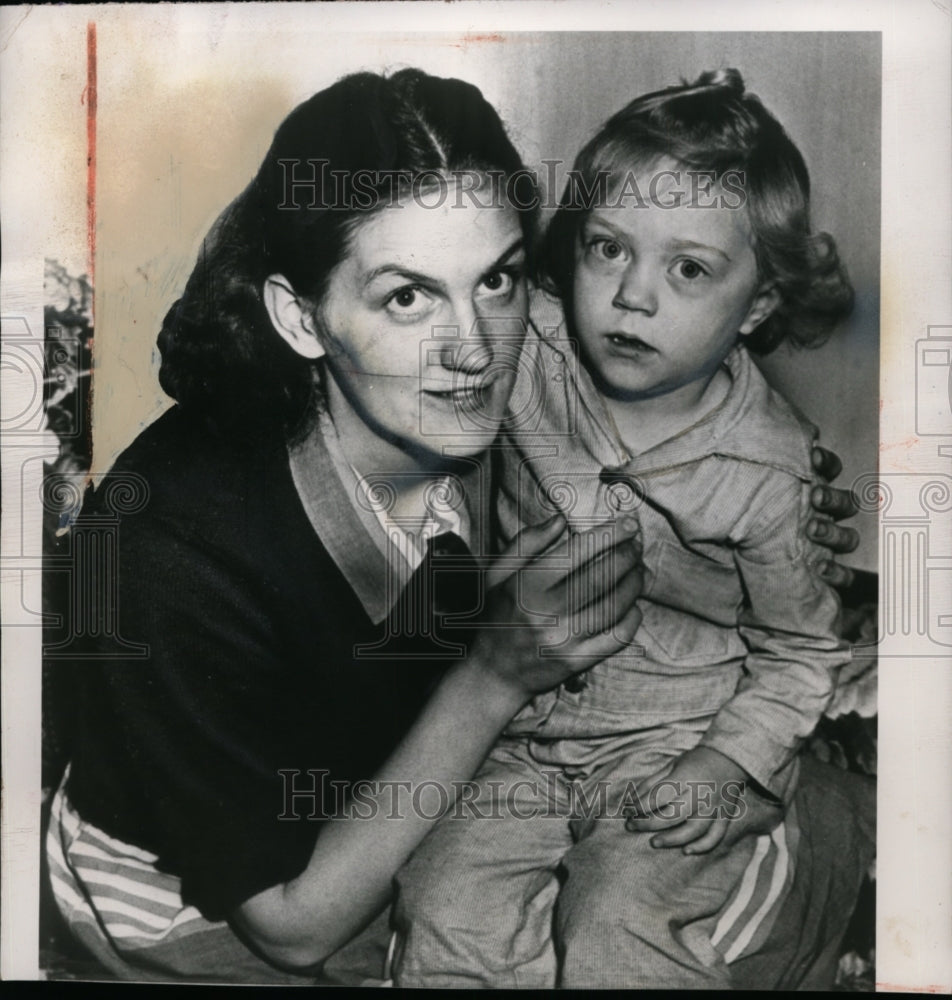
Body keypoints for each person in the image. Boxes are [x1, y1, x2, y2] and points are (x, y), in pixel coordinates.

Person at [44, 68, 864, 985]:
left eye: (499, 279)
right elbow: (292, 926)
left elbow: (670, 442)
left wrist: (766, 496)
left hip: (416, 773)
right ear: (299, 316)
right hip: (209, 901)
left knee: (751, 830)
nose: (475, 349)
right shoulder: (170, 550)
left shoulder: (507, 387)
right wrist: (496, 670)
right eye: (407, 297)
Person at [393, 69, 872, 989]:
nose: (632, 297)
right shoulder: (528, 346)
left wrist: (732, 762)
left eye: (689, 269)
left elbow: (801, 649)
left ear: (760, 306)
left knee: (618, 918)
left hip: (673, 747)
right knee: (442, 903)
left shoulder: (773, 478)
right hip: (519, 737)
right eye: (609, 250)